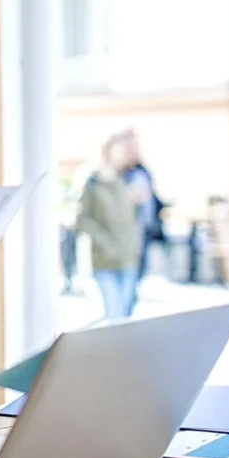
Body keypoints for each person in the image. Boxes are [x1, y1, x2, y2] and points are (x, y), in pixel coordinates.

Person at [76, 135, 142, 319]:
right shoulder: (92, 183)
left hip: (128, 258)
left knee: (125, 316)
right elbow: (82, 219)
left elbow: (130, 219)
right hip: (104, 259)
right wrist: (104, 242)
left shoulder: (124, 181)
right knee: (114, 314)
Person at [118, 128, 166, 289]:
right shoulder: (119, 173)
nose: (135, 149)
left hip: (144, 228)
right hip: (128, 230)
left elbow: (151, 194)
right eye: (131, 145)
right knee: (129, 272)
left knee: (139, 273)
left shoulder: (141, 170)